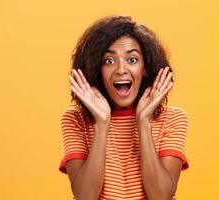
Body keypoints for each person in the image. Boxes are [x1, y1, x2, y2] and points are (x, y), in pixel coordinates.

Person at [59, 15, 189, 200]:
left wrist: (143, 122)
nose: (121, 69)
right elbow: (84, 196)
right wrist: (101, 124)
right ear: (97, 69)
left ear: (145, 67)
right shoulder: (75, 119)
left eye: (132, 60)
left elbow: (161, 196)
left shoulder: (172, 118)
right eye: (109, 61)